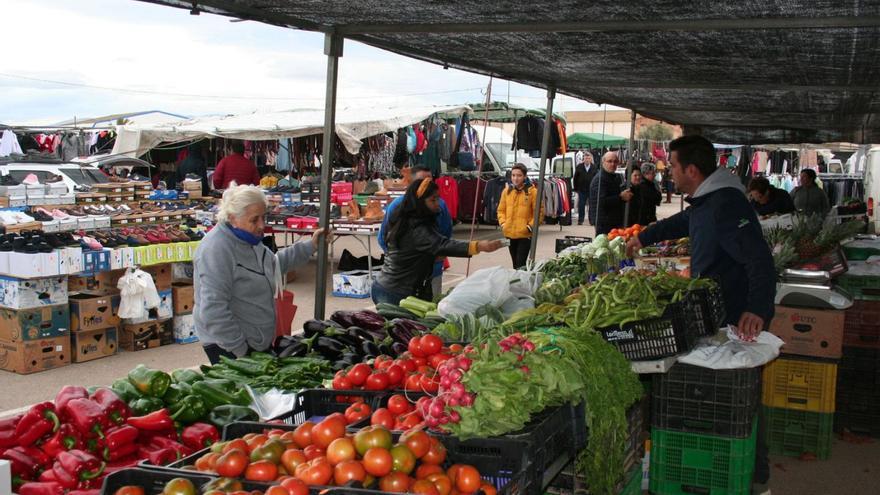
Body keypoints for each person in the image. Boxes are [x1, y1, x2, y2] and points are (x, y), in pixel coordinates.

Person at [625, 135, 775, 493]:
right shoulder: (708, 201)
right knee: (715, 397)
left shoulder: (727, 205)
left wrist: (758, 308)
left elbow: (760, 260)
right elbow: (683, 223)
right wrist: (644, 237)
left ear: (691, 169)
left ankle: (758, 478)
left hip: (736, 318)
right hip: (713, 310)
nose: (669, 172)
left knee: (740, 399)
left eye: (673, 166)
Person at [193, 183, 326, 364]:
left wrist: (310, 246)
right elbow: (213, 310)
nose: (262, 225)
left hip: (254, 343)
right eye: (254, 220)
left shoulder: (251, 241)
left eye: (263, 217)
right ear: (233, 218)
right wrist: (242, 351)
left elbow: (274, 264)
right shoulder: (216, 249)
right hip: (229, 347)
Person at [373, 178, 503, 305]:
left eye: (438, 198)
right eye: (432, 200)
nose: (437, 203)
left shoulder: (410, 217)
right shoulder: (416, 227)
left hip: (393, 287)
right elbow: (442, 245)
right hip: (395, 292)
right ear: (420, 202)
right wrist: (479, 246)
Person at [379, 165, 453, 296]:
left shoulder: (439, 206)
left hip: (433, 272)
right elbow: (383, 238)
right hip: (403, 277)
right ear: (411, 184)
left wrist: (440, 254)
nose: (426, 185)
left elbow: (446, 236)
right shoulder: (397, 206)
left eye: (429, 181)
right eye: (421, 182)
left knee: (432, 309)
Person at [497, 163, 542, 269]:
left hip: (524, 235)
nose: (515, 178)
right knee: (514, 264)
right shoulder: (507, 191)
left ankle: (521, 284)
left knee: (520, 265)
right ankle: (518, 284)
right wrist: (503, 224)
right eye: (513, 175)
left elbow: (539, 213)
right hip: (509, 233)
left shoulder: (533, 192)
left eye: (519, 175)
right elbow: (500, 210)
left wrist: (529, 227)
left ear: (525, 177)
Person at [588, 151, 633, 235]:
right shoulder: (600, 179)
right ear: (603, 162)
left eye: (615, 161)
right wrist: (620, 197)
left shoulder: (614, 177)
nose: (613, 164)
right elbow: (601, 201)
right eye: (610, 161)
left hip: (613, 221)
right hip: (604, 222)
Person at [573, 153, 598, 225]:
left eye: (588, 158)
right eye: (585, 158)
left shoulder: (594, 167)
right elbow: (575, 178)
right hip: (581, 190)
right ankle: (580, 220)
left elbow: (596, 179)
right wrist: (576, 189)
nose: (587, 160)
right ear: (583, 159)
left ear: (590, 159)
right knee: (581, 205)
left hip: (591, 190)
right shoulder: (579, 167)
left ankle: (592, 221)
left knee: (592, 206)